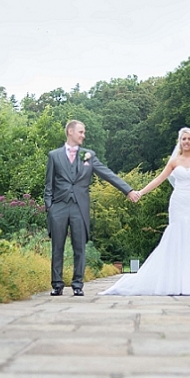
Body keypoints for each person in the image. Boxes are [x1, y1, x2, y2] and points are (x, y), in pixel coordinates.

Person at [99, 127, 190, 296]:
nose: (187, 142)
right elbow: (159, 179)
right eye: (184, 139)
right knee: (176, 237)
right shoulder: (174, 162)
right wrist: (140, 192)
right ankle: (173, 281)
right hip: (178, 201)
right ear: (180, 141)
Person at [45, 120, 140, 296]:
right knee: (57, 247)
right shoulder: (54, 155)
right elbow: (48, 185)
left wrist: (128, 190)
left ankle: (77, 285)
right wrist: (49, 207)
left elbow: (107, 173)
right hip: (58, 206)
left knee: (79, 247)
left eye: (84, 132)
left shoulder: (88, 155)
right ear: (70, 132)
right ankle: (57, 284)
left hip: (79, 207)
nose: (84, 135)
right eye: (81, 132)